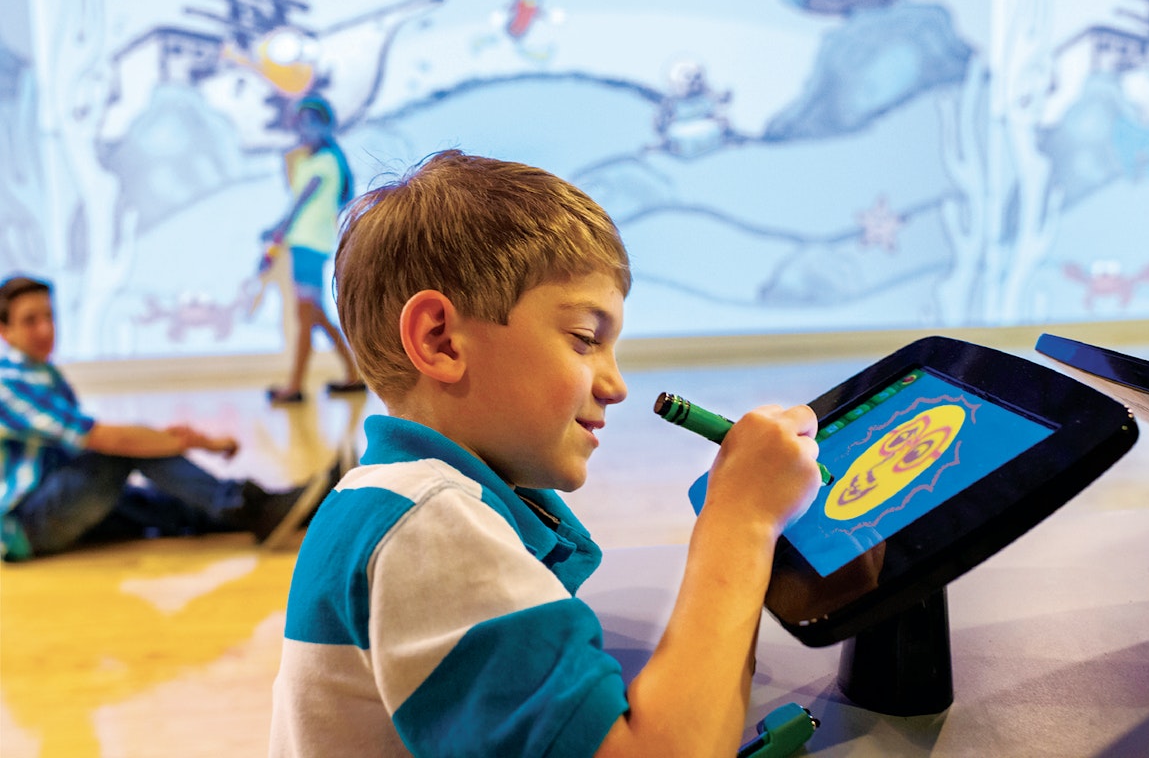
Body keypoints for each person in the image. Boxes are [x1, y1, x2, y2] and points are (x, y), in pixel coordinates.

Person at [269, 151, 825, 757]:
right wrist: (741, 520)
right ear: (440, 339)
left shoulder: (400, 501)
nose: (615, 385)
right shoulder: (426, 522)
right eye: (586, 339)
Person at [0, 275, 306, 562]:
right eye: (30, 321)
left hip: (48, 504)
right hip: (27, 525)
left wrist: (163, 440)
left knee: (173, 509)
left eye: (49, 317)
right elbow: (107, 439)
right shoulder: (9, 382)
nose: (45, 329)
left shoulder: (42, 375)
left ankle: (298, 510)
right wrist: (195, 443)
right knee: (124, 449)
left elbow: (80, 448)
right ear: (5, 331)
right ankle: (247, 507)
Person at [262, 94, 363, 404]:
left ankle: (295, 386)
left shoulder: (325, 161)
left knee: (307, 314)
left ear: (325, 125)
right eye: (300, 123)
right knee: (311, 314)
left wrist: (279, 229)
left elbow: (301, 201)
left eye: (309, 122)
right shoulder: (316, 159)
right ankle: (352, 374)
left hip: (308, 243)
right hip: (307, 243)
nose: (303, 129)